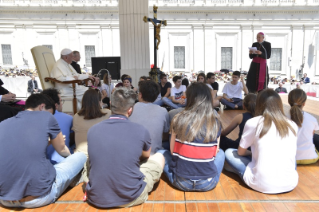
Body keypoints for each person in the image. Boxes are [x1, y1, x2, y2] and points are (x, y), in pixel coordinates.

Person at [0, 93, 86, 208]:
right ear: (42, 107)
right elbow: (62, 150)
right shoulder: (46, 117)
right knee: (80, 157)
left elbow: (23, 152)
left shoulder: (4, 124)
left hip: (5, 199)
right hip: (39, 197)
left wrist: (48, 143)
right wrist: (72, 160)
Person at [86, 88, 164, 208]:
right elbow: (146, 155)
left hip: (96, 197)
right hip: (131, 196)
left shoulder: (92, 130)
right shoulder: (141, 130)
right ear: (130, 110)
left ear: (111, 104)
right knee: (159, 156)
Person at [224, 89, 298, 194]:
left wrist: (251, 153)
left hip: (260, 184)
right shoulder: (292, 124)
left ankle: (240, 169)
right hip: (290, 183)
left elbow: (240, 152)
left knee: (229, 153)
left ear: (259, 104)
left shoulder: (253, 122)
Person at [158, 82, 224, 191]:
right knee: (221, 153)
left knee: (161, 153)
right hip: (208, 184)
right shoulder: (215, 120)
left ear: (190, 98)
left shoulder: (177, 118)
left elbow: (172, 151)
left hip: (180, 182)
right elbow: (215, 151)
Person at [73, 89, 111, 182]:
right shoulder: (107, 114)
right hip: (99, 159)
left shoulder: (76, 116)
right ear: (98, 102)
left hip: (79, 160)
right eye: (101, 101)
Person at [129, 80, 170, 154]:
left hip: (132, 153)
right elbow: (165, 135)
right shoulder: (163, 111)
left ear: (140, 95)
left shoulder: (131, 108)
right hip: (153, 155)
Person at [42, 88, 73, 164]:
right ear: (56, 105)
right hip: (63, 163)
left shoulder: (33, 120)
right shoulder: (69, 118)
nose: (62, 104)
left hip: (41, 164)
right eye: (61, 101)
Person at [288, 89, 319, 164]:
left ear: (289, 102)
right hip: (311, 158)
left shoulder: (281, 119)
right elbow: (312, 135)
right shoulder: (312, 119)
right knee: (316, 137)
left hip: (289, 159)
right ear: (304, 103)